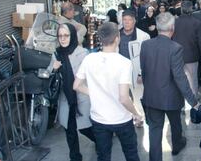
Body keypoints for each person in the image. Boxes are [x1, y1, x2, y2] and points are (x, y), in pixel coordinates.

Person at [73, 22, 143, 161]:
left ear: (100, 38)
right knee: (131, 155)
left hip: (99, 119)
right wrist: (136, 113)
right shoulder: (124, 62)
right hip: (122, 119)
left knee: (103, 156)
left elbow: (76, 86)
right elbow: (124, 98)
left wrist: (95, 93)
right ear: (117, 38)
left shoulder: (89, 59)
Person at [140, 12, 199, 161]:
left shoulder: (146, 45)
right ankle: (177, 145)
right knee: (175, 123)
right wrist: (193, 101)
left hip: (152, 96)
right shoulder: (175, 48)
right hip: (171, 97)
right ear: (172, 28)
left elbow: (144, 70)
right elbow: (180, 77)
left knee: (154, 131)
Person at [48, 23, 95, 161]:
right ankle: (75, 157)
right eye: (60, 36)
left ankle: (100, 141)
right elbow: (49, 73)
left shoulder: (82, 53)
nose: (62, 39)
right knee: (69, 130)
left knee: (85, 128)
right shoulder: (56, 53)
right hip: (65, 98)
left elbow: (89, 76)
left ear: (72, 36)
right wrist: (54, 68)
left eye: (66, 35)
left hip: (80, 97)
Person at [173, 1, 201, 96]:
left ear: (181, 9)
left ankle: (179, 99)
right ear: (192, 9)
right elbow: (200, 41)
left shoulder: (174, 22)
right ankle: (193, 99)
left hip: (177, 55)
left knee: (178, 78)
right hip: (192, 55)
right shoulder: (197, 22)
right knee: (193, 78)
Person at [119, 10, 150, 87]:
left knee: (136, 96)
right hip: (119, 72)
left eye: (130, 20)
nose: (127, 22)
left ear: (134, 21)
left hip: (135, 73)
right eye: (124, 19)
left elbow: (147, 57)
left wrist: (141, 73)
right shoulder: (116, 35)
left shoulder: (143, 36)